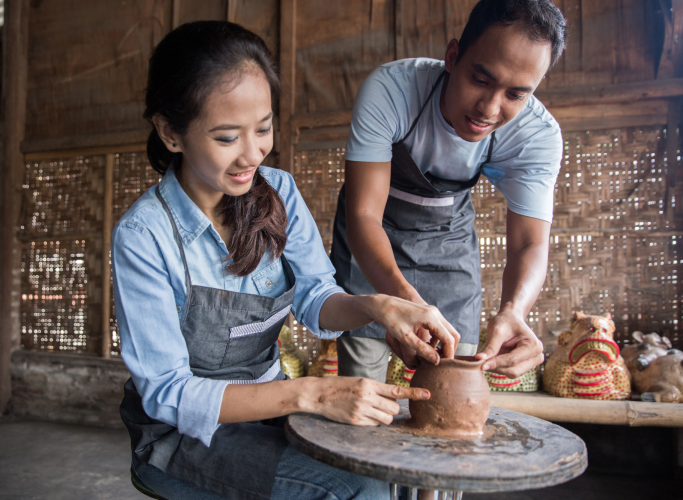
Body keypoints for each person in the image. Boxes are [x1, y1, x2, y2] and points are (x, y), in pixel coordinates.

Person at [112, 21, 460, 500]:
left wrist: (380, 307)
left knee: (388, 468)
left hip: (272, 403)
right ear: (171, 132)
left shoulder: (279, 193)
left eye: (264, 128)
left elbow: (316, 300)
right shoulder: (143, 236)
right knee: (358, 489)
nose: (251, 154)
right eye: (226, 137)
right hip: (186, 435)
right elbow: (168, 393)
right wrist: (313, 394)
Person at [330, 0, 567, 382]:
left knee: (455, 375)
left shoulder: (536, 136)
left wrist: (514, 311)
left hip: (448, 239)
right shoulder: (392, 91)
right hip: (372, 237)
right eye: (482, 80)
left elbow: (529, 244)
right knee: (363, 380)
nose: (490, 108)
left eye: (516, 95)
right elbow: (363, 215)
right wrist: (403, 302)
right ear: (453, 56)